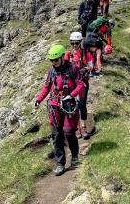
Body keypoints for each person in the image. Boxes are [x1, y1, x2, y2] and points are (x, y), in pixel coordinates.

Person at [35, 44, 86, 176]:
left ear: (62, 57)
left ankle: (75, 156)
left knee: (69, 132)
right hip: (54, 106)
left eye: (56, 60)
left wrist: (72, 95)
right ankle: (60, 163)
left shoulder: (73, 69)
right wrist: (38, 99)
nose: (54, 63)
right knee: (57, 135)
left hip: (69, 105)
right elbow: (47, 87)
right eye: (51, 60)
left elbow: (81, 84)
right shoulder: (51, 71)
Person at [64, 32, 95, 139]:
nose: (74, 45)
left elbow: (91, 65)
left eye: (76, 43)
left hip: (83, 83)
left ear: (80, 42)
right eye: (72, 43)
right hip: (72, 84)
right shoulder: (68, 54)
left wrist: (85, 69)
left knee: (82, 105)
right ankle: (76, 129)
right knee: (73, 105)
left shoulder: (86, 53)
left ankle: (83, 127)